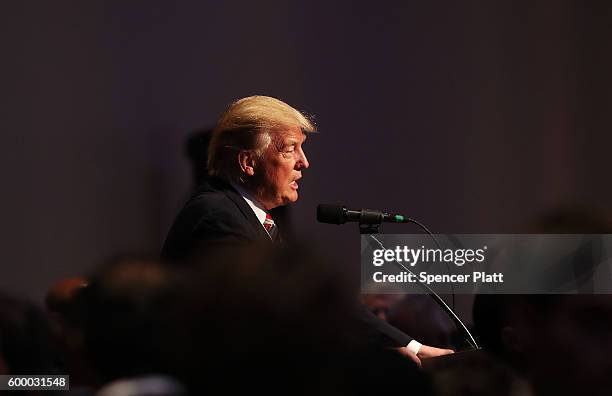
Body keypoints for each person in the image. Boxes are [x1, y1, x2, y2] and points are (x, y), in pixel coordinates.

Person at [161, 95, 453, 365]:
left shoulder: (245, 215)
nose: (304, 162)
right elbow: (267, 314)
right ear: (248, 162)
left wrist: (408, 345)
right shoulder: (218, 215)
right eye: (291, 149)